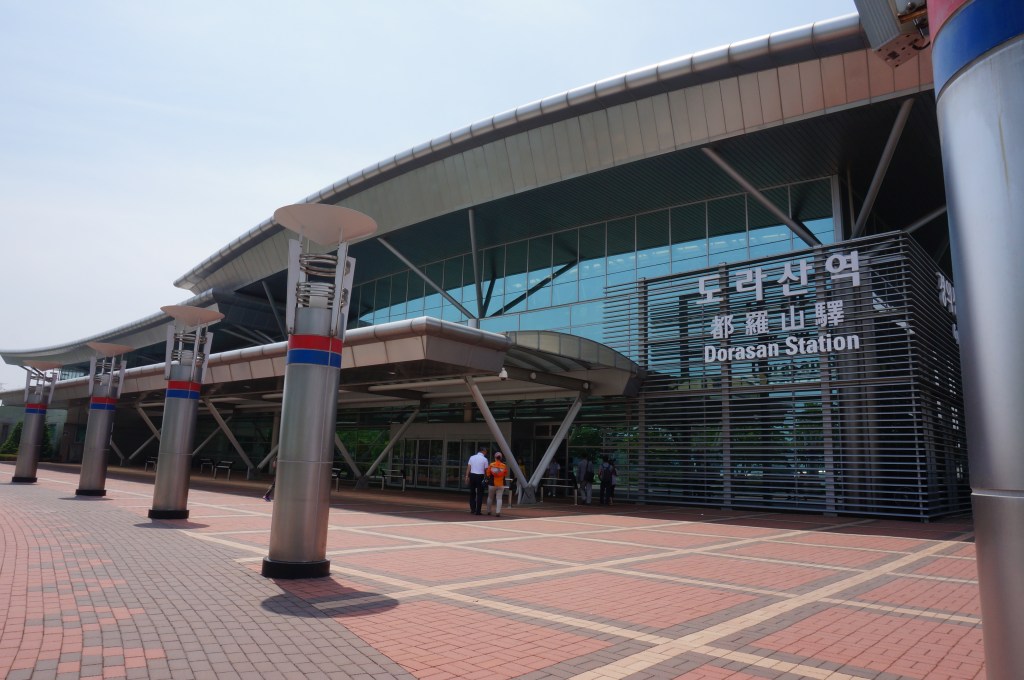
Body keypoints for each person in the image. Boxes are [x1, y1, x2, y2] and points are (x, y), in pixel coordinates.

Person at [465, 444, 489, 515]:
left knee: (472, 493)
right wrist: (486, 478)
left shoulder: (472, 457)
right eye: (486, 451)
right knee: (480, 494)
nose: (486, 453)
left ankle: (472, 509)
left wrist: (467, 476)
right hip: (480, 476)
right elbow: (486, 470)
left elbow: (468, 467)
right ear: (483, 451)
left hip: (472, 475)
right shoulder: (485, 459)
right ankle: (478, 511)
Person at [484, 451, 508, 517]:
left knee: (490, 497)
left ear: (495, 457)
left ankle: (489, 511)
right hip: (501, 484)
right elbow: (505, 474)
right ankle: (498, 512)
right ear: (501, 458)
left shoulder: (491, 465)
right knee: (499, 498)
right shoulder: (504, 466)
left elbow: (488, 473)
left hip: (492, 484)